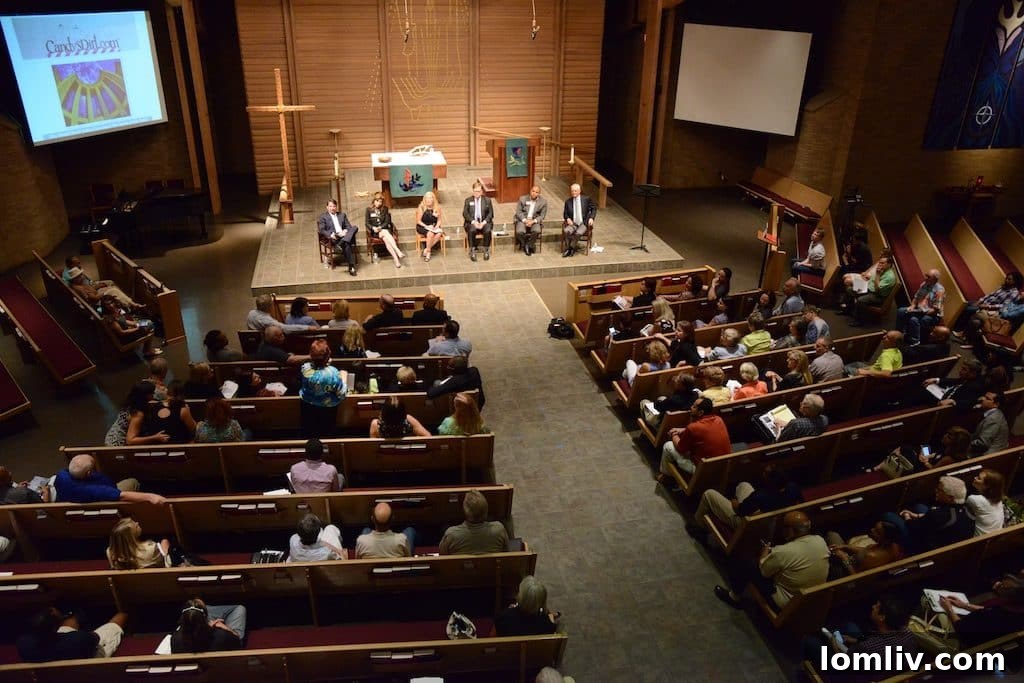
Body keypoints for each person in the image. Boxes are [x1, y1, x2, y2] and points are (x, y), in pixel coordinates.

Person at [714, 511, 829, 610]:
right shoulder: (820, 541)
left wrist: (764, 554)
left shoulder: (784, 551)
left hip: (786, 603)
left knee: (748, 563)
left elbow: (763, 571)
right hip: (811, 600)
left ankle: (734, 597)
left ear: (790, 531)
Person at [692, 464, 801, 535]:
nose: (762, 473)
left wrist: (735, 503)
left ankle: (699, 527)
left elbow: (740, 510)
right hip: (768, 520)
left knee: (708, 494)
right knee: (744, 485)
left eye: (765, 473)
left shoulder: (761, 495)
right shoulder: (793, 487)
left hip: (745, 523)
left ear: (771, 479)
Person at [938, 574, 1024, 650]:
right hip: (971, 628)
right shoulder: (1015, 611)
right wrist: (964, 605)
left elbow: (961, 629)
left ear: (1008, 599)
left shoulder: (994, 619)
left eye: (1001, 587)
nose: (996, 585)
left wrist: (949, 609)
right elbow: (986, 609)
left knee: (934, 608)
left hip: (961, 641)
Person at [16, 606, 128, 662]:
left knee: (71, 623)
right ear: (55, 628)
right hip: (88, 663)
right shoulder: (79, 639)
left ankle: (76, 613)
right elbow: (94, 638)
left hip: (54, 668)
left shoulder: (24, 644)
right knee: (120, 618)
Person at [657, 398, 731, 480]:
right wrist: (683, 429)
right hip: (722, 467)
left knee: (668, 446)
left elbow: (680, 448)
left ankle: (666, 477)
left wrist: (674, 434)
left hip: (701, 470)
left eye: (694, 407)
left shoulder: (693, 428)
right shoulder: (719, 419)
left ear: (701, 412)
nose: (691, 407)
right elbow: (704, 428)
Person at [898, 476, 972, 554]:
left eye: (940, 490)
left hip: (929, 550)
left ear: (950, 498)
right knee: (919, 507)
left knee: (889, 516)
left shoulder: (938, 514)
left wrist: (906, 515)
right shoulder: (968, 510)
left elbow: (912, 527)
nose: (936, 491)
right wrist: (917, 516)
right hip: (949, 545)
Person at [55, 454, 165, 505]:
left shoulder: (61, 475)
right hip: (105, 500)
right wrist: (150, 496)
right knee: (132, 482)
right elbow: (122, 495)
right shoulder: (95, 490)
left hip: (73, 500)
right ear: (89, 473)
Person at [953, 271, 1024, 339]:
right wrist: (980, 301)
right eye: (1006, 278)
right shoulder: (1003, 287)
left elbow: (1003, 306)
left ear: (1015, 282)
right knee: (966, 304)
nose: (1006, 280)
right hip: (985, 303)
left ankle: (959, 329)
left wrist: (987, 306)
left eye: (1009, 279)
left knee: (970, 310)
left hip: (990, 309)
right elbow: (990, 295)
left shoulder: (1014, 293)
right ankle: (955, 326)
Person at [299, 339, 347, 438]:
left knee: (312, 432)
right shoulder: (333, 373)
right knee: (326, 433)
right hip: (327, 409)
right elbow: (342, 394)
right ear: (328, 356)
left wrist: (325, 362)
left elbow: (317, 369)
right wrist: (344, 377)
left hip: (308, 406)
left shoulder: (305, 368)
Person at [439, 489, 510, 555]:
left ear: (465, 511)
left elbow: (442, 556)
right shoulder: (499, 529)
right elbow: (507, 552)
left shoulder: (451, 534)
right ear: (486, 510)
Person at [827, 518, 905, 576]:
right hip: (851, 560)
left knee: (831, 536)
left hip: (847, 572)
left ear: (885, 539)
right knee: (832, 535)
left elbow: (856, 577)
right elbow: (865, 551)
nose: (872, 530)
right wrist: (845, 547)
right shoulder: (891, 544)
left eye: (877, 532)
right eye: (874, 528)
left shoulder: (873, 557)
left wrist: (844, 558)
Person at [170, 599, 246, 653]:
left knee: (199, 609)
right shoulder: (222, 635)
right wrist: (225, 628)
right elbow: (237, 642)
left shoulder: (176, 638)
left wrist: (208, 627)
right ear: (204, 618)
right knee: (239, 609)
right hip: (227, 644)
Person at [494, 576, 560, 636]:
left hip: (509, 649)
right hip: (535, 648)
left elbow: (494, 638)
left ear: (520, 597)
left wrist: (510, 611)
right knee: (550, 615)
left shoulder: (503, 618)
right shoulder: (548, 625)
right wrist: (550, 619)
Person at [895, 269, 946, 345]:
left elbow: (935, 310)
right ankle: (899, 334)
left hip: (931, 314)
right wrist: (912, 306)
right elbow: (916, 298)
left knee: (914, 319)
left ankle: (915, 341)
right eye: (926, 276)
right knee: (901, 311)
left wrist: (920, 313)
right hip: (919, 309)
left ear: (935, 279)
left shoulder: (940, 291)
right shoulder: (924, 284)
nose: (925, 278)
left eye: (928, 277)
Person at [105, 381, 161, 447]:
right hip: (117, 445)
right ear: (145, 395)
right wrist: (155, 437)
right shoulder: (138, 414)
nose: (153, 394)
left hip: (110, 438)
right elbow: (130, 440)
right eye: (151, 393)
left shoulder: (130, 404)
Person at [849, 255, 898, 326]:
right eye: (879, 262)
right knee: (850, 289)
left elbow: (877, 289)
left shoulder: (890, 277)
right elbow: (870, 280)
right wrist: (862, 283)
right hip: (868, 288)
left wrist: (878, 275)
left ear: (889, 264)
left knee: (860, 300)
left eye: (882, 263)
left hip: (877, 295)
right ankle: (850, 310)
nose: (879, 264)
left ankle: (859, 321)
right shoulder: (881, 269)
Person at [921, 358, 985, 411]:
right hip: (944, 394)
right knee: (924, 386)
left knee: (921, 393)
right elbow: (955, 381)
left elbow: (970, 402)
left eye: (964, 369)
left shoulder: (975, 387)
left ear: (973, 373)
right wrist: (937, 380)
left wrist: (954, 402)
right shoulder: (968, 377)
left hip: (945, 407)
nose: (960, 371)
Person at [67, 266, 143, 311]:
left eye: (81, 275)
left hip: (96, 294)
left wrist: (101, 285)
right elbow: (92, 298)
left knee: (110, 285)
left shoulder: (79, 283)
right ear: (75, 278)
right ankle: (132, 305)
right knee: (113, 290)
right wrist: (104, 293)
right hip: (95, 302)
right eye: (79, 276)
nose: (82, 276)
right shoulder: (78, 288)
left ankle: (125, 305)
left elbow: (90, 289)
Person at [106, 517, 171, 570]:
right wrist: (165, 550)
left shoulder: (111, 552)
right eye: (136, 526)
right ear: (131, 537)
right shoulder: (151, 549)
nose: (137, 523)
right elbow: (167, 565)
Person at [317, 198, 359, 276]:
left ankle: (341, 244)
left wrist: (345, 231)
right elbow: (321, 229)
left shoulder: (342, 215)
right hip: (334, 237)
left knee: (355, 227)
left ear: (336, 207)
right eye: (330, 206)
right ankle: (351, 267)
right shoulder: (323, 217)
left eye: (334, 206)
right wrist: (330, 235)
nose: (332, 208)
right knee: (347, 244)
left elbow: (349, 226)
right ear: (327, 207)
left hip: (343, 235)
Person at [365, 191, 405, 267]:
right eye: (377, 201)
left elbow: (387, 222)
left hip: (384, 229)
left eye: (380, 202)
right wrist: (373, 228)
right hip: (375, 232)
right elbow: (367, 223)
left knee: (386, 239)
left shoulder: (385, 209)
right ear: (373, 201)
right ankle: (397, 251)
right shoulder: (368, 210)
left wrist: (381, 227)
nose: (379, 203)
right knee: (384, 233)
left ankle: (396, 260)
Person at [966, 468, 1005, 536]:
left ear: (987, 486)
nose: (975, 478)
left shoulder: (974, 499)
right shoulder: (998, 499)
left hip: (977, 541)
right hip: (995, 539)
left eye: (979, 478)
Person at [246, 294, 313, 333]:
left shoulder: (251, 313)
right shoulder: (266, 320)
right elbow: (285, 328)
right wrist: (307, 328)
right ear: (269, 307)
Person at [561, 182, 596, 257]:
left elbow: (594, 208)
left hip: (583, 222)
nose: (573, 192)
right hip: (573, 223)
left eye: (575, 191)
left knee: (578, 233)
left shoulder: (586, 199)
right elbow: (565, 213)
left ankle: (570, 248)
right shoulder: (568, 201)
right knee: (566, 231)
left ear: (579, 191)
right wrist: (567, 219)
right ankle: (569, 248)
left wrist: (591, 218)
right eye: (572, 191)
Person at [463, 180, 495, 261]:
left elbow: (491, 214)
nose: (477, 193)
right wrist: (474, 222)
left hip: (484, 222)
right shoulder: (468, 200)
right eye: (475, 191)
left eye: (478, 191)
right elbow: (465, 214)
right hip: (472, 222)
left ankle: (486, 250)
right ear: (473, 191)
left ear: (481, 191)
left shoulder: (487, 200)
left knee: (487, 230)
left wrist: (483, 223)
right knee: (472, 230)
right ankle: (472, 250)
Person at [970, 391, 1009, 455]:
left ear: (996, 404)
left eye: (987, 399)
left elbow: (982, 444)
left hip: (987, 456)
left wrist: (965, 443)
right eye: (984, 397)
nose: (982, 399)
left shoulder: (993, 419)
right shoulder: (996, 412)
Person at [416, 190, 445, 261]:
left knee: (439, 233)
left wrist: (436, 227)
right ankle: (428, 253)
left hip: (433, 226)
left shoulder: (437, 208)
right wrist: (426, 226)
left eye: (430, 198)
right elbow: (418, 221)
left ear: (433, 199)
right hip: (422, 226)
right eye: (427, 198)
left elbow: (439, 220)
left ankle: (426, 249)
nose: (429, 200)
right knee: (430, 234)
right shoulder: (421, 208)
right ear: (425, 199)